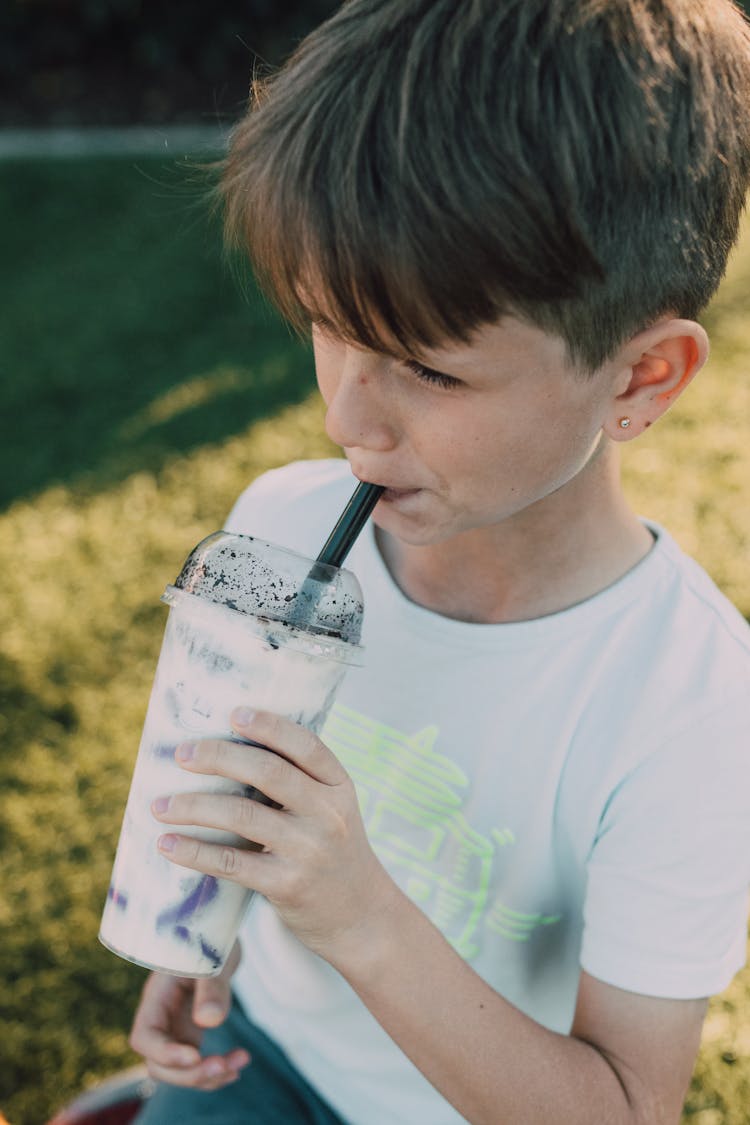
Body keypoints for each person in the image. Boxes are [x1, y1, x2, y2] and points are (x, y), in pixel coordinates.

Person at [129, 2, 750, 1122]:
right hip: (259, 1055)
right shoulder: (277, 521)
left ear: (641, 377)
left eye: (430, 371)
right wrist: (199, 943)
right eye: (326, 327)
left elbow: (628, 1109)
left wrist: (360, 915)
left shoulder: (692, 705)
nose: (348, 425)